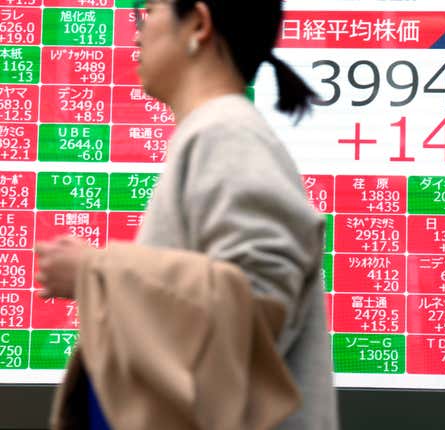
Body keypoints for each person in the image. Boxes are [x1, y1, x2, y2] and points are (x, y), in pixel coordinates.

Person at [35, 0, 338, 428]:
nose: (137, 32)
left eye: (149, 11)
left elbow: (258, 306)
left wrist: (95, 270)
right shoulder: (214, 133)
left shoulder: (227, 134)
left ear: (198, 23)